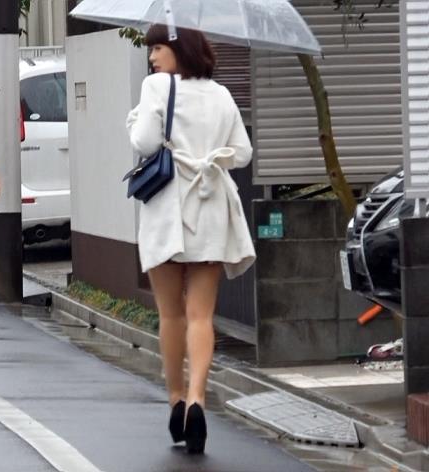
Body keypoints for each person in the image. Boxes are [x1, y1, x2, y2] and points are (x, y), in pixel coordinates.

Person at [126, 25, 255, 455]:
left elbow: (144, 142)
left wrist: (137, 119)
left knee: (171, 315)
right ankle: (199, 399)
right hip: (211, 206)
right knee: (202, 315)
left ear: (178, 48)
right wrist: (209, 157)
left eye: (157, 48)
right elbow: (242, 153)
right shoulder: (221, 94)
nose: (151, 57)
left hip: (168, 208)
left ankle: (176, 400)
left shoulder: (156, 87)